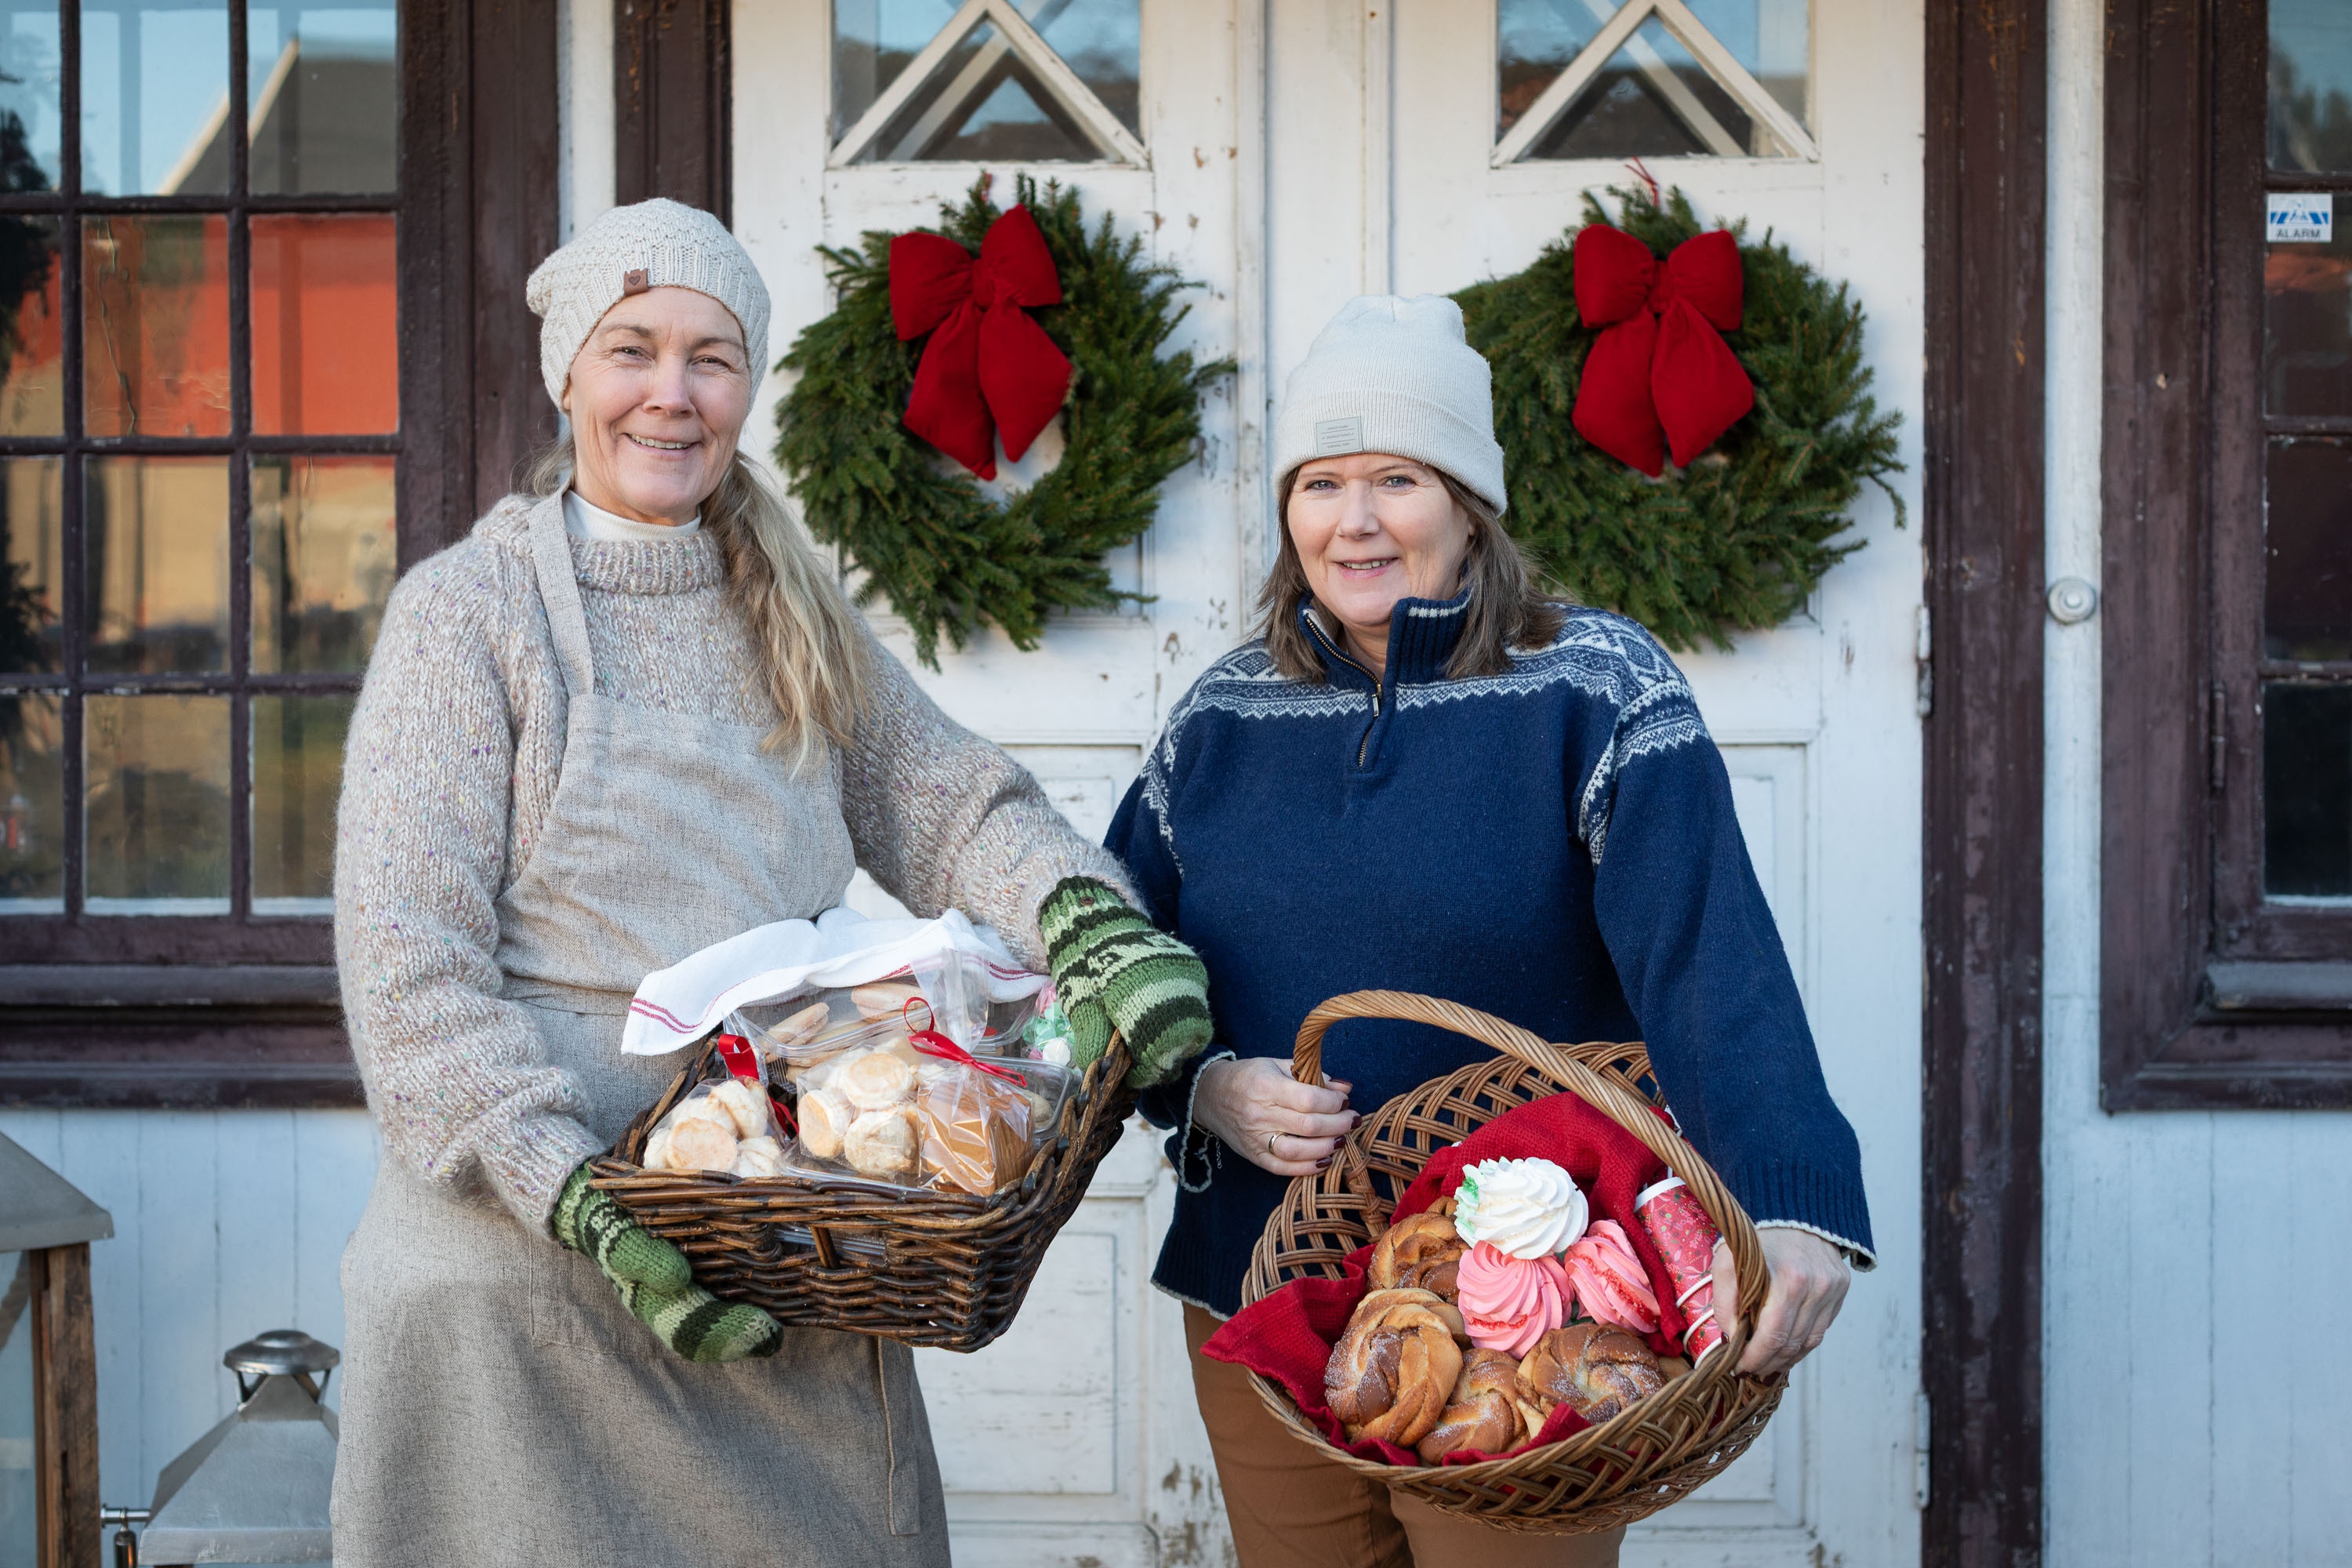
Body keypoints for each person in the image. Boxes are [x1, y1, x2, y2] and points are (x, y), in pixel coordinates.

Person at [328, 198, 1210, 1568]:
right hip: (524, 1248)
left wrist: (1085, 917)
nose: (670, 396)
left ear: (748, 387)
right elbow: (408, 970)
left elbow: (948, 800)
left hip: (779, 1204)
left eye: (712, 357)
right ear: (570, 375)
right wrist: (584, 1201)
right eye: (633, 351)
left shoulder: (785, 599)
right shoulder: (471, 614)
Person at [1107, 295, 1875, 1568]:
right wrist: (1204, 1089)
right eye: (1319, 483)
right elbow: (1121, 958)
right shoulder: (1221, 718)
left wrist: (1789, 1197)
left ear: (1469, 501)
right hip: (1262, 1280)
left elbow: (1708, 959)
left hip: (1533, 1304)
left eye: (1396, 478)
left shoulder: (1595, 688)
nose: (1352, 521)